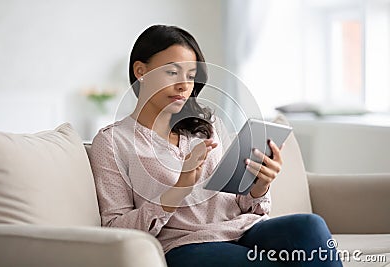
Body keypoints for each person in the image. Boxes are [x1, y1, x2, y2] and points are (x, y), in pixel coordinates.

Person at [89, 24, 343, 267]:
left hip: (243, 229)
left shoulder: (206, 128)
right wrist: (178, 189)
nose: (184, 85)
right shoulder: (112, 142)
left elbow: (240, 204)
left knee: (310, 226)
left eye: (190, 76)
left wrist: (259, 185)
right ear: (141, 71)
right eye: (172, 72)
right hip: (186, 245)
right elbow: (116, 230)